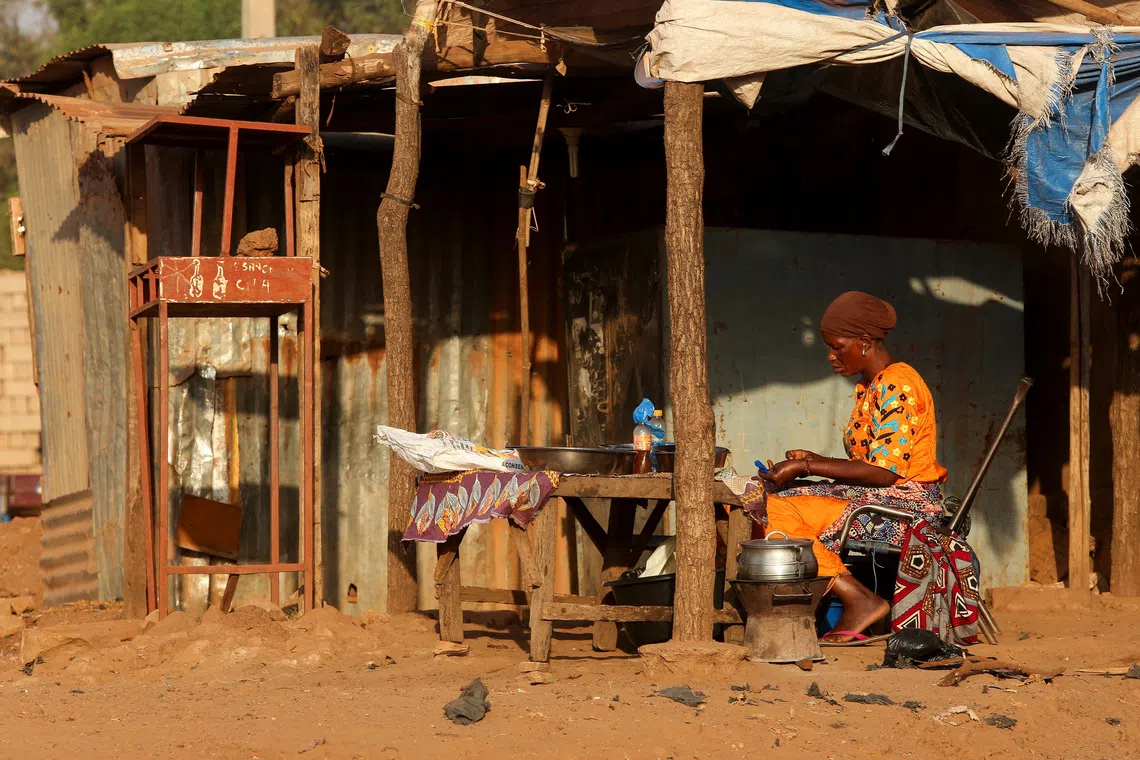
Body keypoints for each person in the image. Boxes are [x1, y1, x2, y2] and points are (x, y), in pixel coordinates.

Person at [758, 291, 948, 644]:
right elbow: (872, 464)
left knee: (772, 509)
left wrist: (807, 466)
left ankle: (858, 598)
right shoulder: (871, 386)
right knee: (764, 500)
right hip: (881, 495)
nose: (830, 356)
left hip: (906, 507)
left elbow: (885, 473)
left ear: (864, 342)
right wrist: (808, 460)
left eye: (837, 346)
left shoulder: (898, 384)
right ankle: (839, 597)